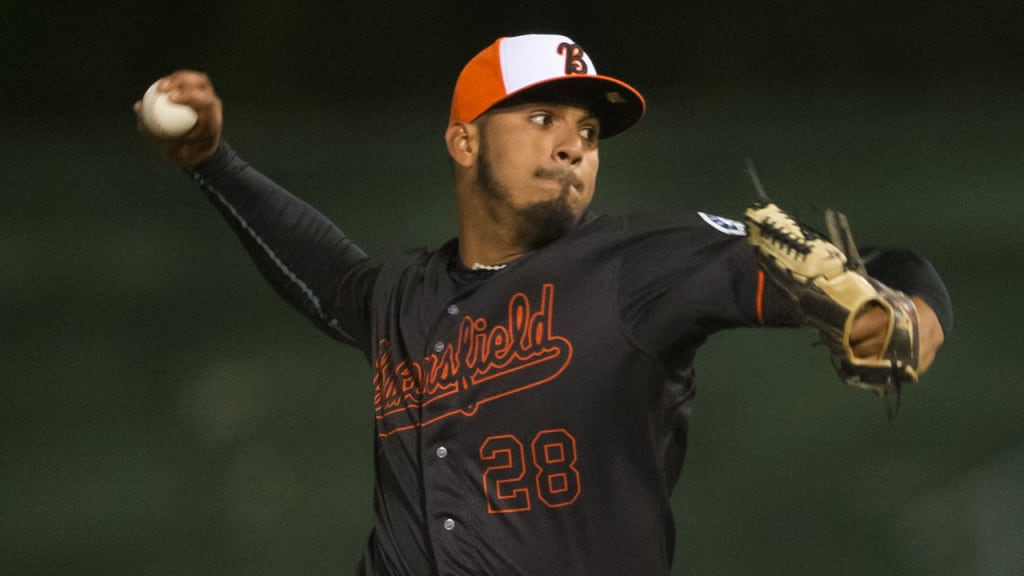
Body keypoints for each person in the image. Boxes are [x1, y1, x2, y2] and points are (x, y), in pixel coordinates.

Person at [136, 33, 951, 576]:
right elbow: (326, 277)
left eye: (588, 133)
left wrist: (911, 313)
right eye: (541, 117)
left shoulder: (638, 266)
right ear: (464, 140)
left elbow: (875, 268)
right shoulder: (405, 296)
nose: (573, 145)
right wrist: (213, 162)